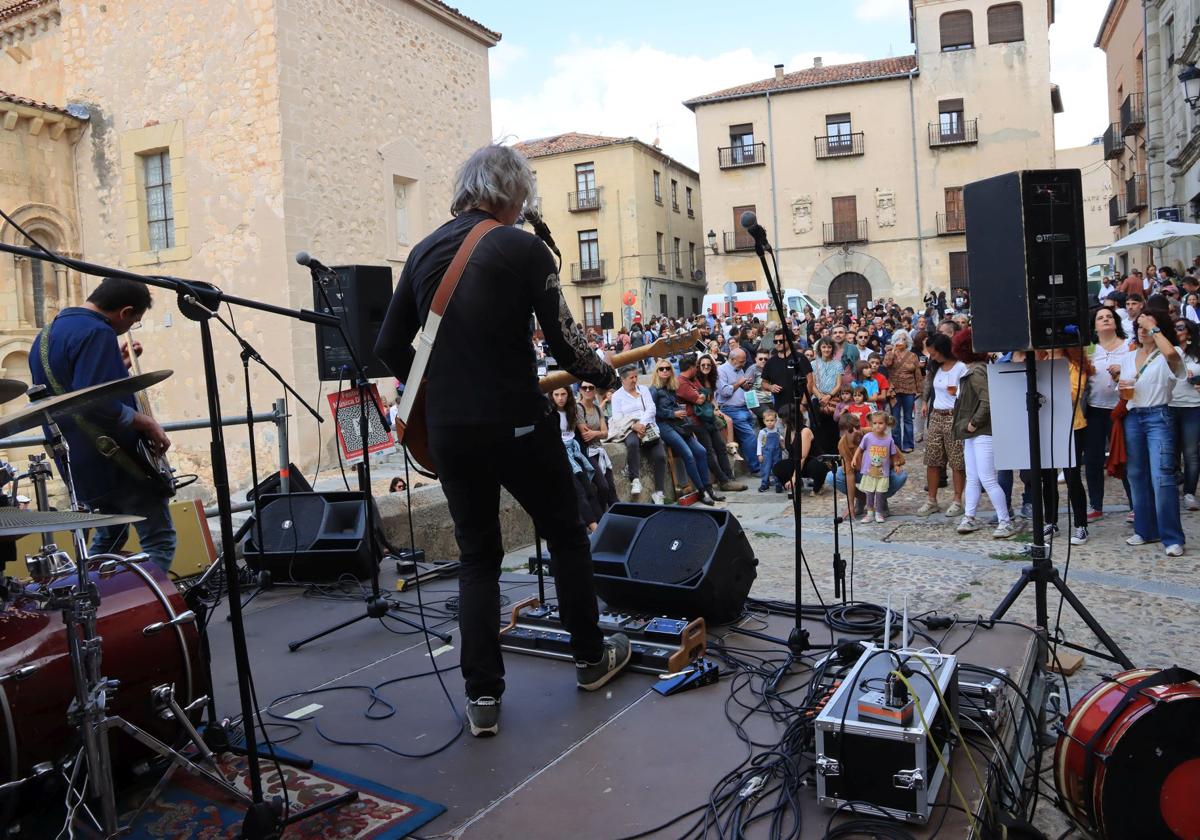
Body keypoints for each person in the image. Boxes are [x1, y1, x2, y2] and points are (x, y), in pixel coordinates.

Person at [374, 144, 631, 736]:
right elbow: (566, 343)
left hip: (452, 432)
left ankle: (482, 699)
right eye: (524, 197)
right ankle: (591, 659)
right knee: (566, 534)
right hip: (517, 422)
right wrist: (605, 374)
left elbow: (389, 348)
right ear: (511, 193)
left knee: (478, 558)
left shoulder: (423, 250)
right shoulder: (522, 246)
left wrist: (443, 386)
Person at [29, 278, 176, 572]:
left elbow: (73, 390)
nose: (129, 328)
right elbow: (96, 404)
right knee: (159, 540)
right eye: (134, 321)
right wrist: (145, 422)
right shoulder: (98, 332)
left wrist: (115, 366)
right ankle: (150, 608)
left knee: (111, 534)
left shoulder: (47, 335)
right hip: (115, 459)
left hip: (79, 463)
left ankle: (98, 605)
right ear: (125, 312)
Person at [1118, 309, 1187, 556]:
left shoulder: (1170, 352)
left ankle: (1172, 537)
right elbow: (1125, 386)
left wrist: (1153, 326)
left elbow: (1171, 354)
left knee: (1162, 477)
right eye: (1139, 325)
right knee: (1136, 475)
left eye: (1146, 325)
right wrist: (1121, 385)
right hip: (1134, 416)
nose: (1142, 328)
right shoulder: (1130, 356)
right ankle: (1145, 530)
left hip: (1159, 415)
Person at [950, 329, 1019, 539]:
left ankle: (1005, 520)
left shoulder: (977, 370)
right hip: (974, 431)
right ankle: (970, 517)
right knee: (974, 477)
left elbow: (987, 400)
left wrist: (973, 423)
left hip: (980, 431)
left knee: (987, 478)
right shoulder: (976, 369)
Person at [650, 362, 722, 504]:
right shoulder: (653, 389)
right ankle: (702, 491)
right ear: (656, 371)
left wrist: (679, 413)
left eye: (668, 368)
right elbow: (653, 412)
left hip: (679, 423)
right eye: (661, 369)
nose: (665, 371)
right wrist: (672, 413)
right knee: (688, 454)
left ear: (671, 370)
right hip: (664, 425)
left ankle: (708, 489)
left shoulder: (671, 387)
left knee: (701, 451)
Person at [1084, 306, 1132, 520]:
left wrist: (1122, 373)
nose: (1105, 319)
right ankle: (1095, 505)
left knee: (1127, 459)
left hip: (1121, 410)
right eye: (1100, 317)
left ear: (1116, 322)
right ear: (1094, 325)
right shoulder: (1090, 349)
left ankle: (1135, 505)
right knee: (1093, 460)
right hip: (1094, 410)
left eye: (1109, 317)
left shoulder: (1129, 347)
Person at [677, 355, 745, 492]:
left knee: (720, 446)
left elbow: (705, 393)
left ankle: (729, 478)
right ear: (691, 368)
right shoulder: (682, 382)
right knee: (708, 451)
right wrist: (700, 395)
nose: (698, 370)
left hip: (707, 418)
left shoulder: (693, 379)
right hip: (696, 421)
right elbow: (700, 399)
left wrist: (701, 395)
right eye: (696, 367)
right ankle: (723, 481)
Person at [918, 333, 967, 517]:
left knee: (956, 460)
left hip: (953, 415)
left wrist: (956, 392)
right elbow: (929, 384)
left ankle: (957, 500)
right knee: (932, 459)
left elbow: (966, 393)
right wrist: (925, 402)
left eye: (934, 353)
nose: (933, 356)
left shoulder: (961, 368)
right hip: (936, 415)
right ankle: (932, 500)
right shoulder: (935, 366)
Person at [610, 365, 668, 505]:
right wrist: (633, 425)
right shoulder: (617, 396)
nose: (635, 380)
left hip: (647, 425)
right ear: (623, 379)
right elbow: (617, 418)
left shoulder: (643, 390)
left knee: (660, 456)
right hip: (629, 427)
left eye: (636, 376)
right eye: (631, 377)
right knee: (632, 443)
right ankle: (635, 480)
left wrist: (642, 424)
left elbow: (651, 408)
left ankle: (659, 492)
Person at [551, 387, 603, 532]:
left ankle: (600, 522)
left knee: (589, 488)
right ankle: (593, 526)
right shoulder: (549, 413)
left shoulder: (572, 411)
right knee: (578, 491)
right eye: (556, 394)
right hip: (560, 455)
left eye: (563, 394)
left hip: (575, 452)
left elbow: (580, 433)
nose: (560, 398)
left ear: (568, 395)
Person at [716, 348, 762, 475]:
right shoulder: (721, 370)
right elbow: (725, 392)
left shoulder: (739, 368)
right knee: (750, 436)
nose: (743, 364)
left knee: (754, 435)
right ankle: (756, 468)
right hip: (731, 409)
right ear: (732, 359)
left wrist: (746, 385)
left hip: (744, 407)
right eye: (741, 361)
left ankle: (757, 465)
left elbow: (741, 388)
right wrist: (740, 382)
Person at [1171, 318, 1200, 511]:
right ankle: (1172, 488)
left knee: (1191, 453)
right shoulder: (1167, 352)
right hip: (1169, 405)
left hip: (1193, 406)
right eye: (1173, 328)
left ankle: (1189, 492)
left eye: (1180, 328)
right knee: (1170, 451)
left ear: (1189, 333)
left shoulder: (1197, 355)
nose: (1176, 330)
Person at [576, 380, 619, 510]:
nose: (588, 390)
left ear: (595, 390)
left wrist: (595, 433)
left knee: (611, 487)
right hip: (587, 452)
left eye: (591, 387)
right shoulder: (578, 408)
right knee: (603, 486)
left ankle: (618, 514)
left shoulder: (597, 409)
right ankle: (601, 517)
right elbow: (586, 436)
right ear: (580, 390)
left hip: (599, 450)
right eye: (584, 388)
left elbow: (606, 433)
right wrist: (598, 433)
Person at [852, 411, 902, 522]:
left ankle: (879, 512)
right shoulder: (868, 437)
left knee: (880, 493)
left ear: (886, 424)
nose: (877, 426)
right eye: (874, 423)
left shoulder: (889, 439)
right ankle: (870, 513)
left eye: (880, 423)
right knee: (869, 493)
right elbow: (860, 449)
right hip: (869, 471)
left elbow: (893, 454)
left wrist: (896, 465)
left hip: (883, 473)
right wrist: (855, 458)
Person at [883, 330, 921, 453]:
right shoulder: (890, 353)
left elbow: (918, 373)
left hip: (909, 390)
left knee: (908, 418)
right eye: (898, 339)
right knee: (895, 418)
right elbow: (886, 365)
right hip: (894, 390)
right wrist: (892, 352)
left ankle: (908, 444)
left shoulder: (912, 355)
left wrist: (920, 389)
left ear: (908, 341)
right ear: (894, 341)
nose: (901, 341)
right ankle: (896, 445)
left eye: (904, 339)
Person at [757, 408, 785, 493]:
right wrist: (759, 454)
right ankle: (765, 484)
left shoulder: (777, 430)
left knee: (777, 467)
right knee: (766, 468)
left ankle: (778, 484)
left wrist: (782, 443)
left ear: (776, 420)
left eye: (772, 420)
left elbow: (780, 438)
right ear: (764, 421)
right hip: (766, 452)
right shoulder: (763, 432)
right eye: (767, 420)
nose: (770, 422)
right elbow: (759, 443)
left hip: (777, 452)